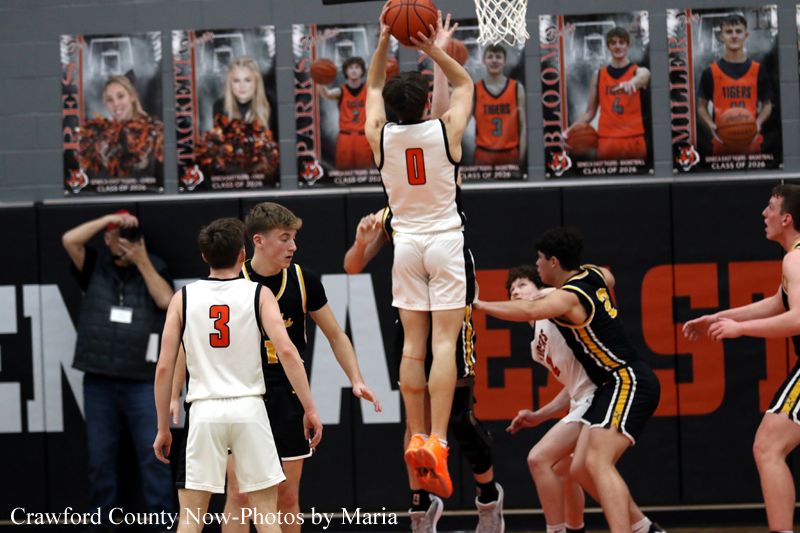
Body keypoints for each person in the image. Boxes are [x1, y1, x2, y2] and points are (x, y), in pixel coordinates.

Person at [171, 202, 381, 533]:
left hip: (286, 393)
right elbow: (189, 344)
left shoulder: (303, 279)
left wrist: (356, 378)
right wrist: (174, 393)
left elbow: (336, 335)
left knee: (287, 495)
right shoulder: (231, 280)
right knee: (239, 495)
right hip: (241, 393)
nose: (293, 246)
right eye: (285, 238)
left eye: (294, 238)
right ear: (257, 241)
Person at [472, 228, 661, 533]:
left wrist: (479, 305)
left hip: (622, 379)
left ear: (554, 263)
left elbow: (532, 307)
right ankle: (640, 528)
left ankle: (564, 530)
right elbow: (607, 276)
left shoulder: (559, 298)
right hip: (602, 387)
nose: (536, 264)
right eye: (512, 289)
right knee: (577, 469)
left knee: (562, 461)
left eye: (538, 261)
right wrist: (541, 414)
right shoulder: (585, 280)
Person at [365, 3, 474, 501]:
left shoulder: (380, 136)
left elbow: (371, 87)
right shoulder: (446, 129)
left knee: (414, 343)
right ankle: (438, 441)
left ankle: (414, 434)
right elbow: (465, 84)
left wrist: (384, 40)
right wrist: (434, 49)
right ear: (427, 102)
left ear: (392, 108)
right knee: (445, 344)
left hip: (406, 244)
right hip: (445, 240)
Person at [153, 218, 322, 533]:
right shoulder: (259, 293)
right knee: (266, 514)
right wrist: (309, 408)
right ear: (242, 255)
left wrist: (163, 427)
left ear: (204, 256)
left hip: (204, 411)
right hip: (250, 409)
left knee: (190, 518)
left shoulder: (183, 297)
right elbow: (287, 352)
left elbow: (164, 366)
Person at [344, 206, 502, 533]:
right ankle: (420, 505)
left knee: (458, 418)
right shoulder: (391, 215)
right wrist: (361, 243)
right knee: (416, 421)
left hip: (450, 321)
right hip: (413, 323)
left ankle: (488, 497)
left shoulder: (445, 204)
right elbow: (352, 266)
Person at [683, 184, 800, 533]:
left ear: (787, 218)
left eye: (771, 207)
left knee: (768, 446)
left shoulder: (795, 259)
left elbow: (798, 318)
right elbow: (778, 303)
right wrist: (718, 317)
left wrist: (741, 329)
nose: (764, 213)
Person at [62, 210, 174, 532]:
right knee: (100, 459)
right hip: (99, 381)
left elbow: (167, 301)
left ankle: (163, 524)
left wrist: (141, 259)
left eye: (131, 237)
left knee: (155, 457)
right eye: (118, 237)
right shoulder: (94, 264)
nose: (124, 243)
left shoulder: (154, 265)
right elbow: (69, 240)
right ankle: (101, 524)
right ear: (108, 239)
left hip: (143, 382)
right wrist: (108, 220)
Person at [696, 14, 773, 156]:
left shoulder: (758, 70)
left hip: (751, 143)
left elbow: (767, 105)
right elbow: (701, 106)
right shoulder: (711, 72)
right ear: (721, 36)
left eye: (738, 31)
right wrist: (711, 125)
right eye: (729, 32)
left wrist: (757, 123)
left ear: (746, 35)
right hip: (722, 143)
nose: (734, 36)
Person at [570, 27, 650, 161]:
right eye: (613, 43)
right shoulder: (599, 75)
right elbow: (589, 113)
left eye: (621, 43)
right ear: (608, 47)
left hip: (633, 139)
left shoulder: (637, 71)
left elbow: (644, 75)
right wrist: (569, 131)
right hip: (607, 140)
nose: (617, 46)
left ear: (628, 45)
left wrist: (632, 83)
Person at [472, 44, 526, 166]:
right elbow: (462, 123)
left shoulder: (517, 89)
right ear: (484, 61)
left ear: (505, 61)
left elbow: (523, 126)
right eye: (490, 57)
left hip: (510, 153)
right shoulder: (475, 90)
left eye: (498, 57)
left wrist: (521, 156)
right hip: (483, 154)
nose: (494, 60)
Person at [319, 56, 374, 170]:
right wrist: (321, 80)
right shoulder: (340, 92)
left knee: (365, 172)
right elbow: (326, 94)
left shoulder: (369, 91)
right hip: (345, 137)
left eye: (357, 67)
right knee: (344, 172)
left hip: (363, 136)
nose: (354, 70)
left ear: (362, 71)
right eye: (350, 68)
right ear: (345, 71)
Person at [213, 56, 272, 130]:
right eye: (236, 81)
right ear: (230, 84)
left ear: (256, 82)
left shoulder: (270, 105)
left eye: (247, 80)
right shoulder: (220, 106)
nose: (242, 86)